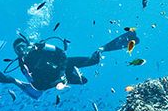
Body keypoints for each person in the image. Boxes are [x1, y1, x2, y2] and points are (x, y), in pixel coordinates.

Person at [10, 30, 139, 93]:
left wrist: (61, 72)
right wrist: (55, 82)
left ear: (27, 44)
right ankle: (73, 74)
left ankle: (103, 49)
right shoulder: (23, 65)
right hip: (54, 79)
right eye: (18, 49)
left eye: (22, 46)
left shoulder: (40, 48)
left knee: (94, 60)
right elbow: (37, 85)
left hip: (64, 64)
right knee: (83, 81)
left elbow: (61, 53)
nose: (21, 50)